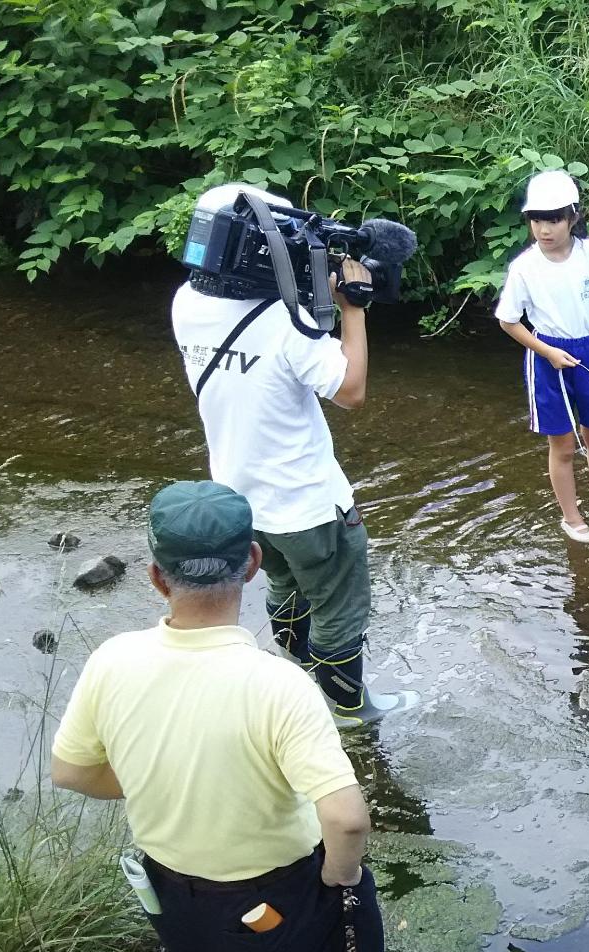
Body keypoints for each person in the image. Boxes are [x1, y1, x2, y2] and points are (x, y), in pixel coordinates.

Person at [50, 481, 442, 952]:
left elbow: (72, 770)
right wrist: (338, 884)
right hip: (283, 900)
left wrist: (159, 779)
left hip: (175, 899)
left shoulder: (113, 660)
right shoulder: (276, 683)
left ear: (155, 576)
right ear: (254, 564)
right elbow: (345, 817)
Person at [172, 182, 417, 730]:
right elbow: (349, 389)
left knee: (283, 584)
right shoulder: (289, 324)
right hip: (308, 503)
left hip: (241, 497)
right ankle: (352, 710)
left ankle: (300, 674)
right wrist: (354, 309)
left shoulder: (185, 303)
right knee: (337, 605)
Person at [495, 169, 589, 543]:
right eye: (537, 220)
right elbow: (508, 321)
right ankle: (572, 517)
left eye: (554, 219)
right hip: (547, 356)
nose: (545, 229)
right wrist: (547, 352)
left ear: (573, 217)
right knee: (562, 444)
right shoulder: (524, 267)